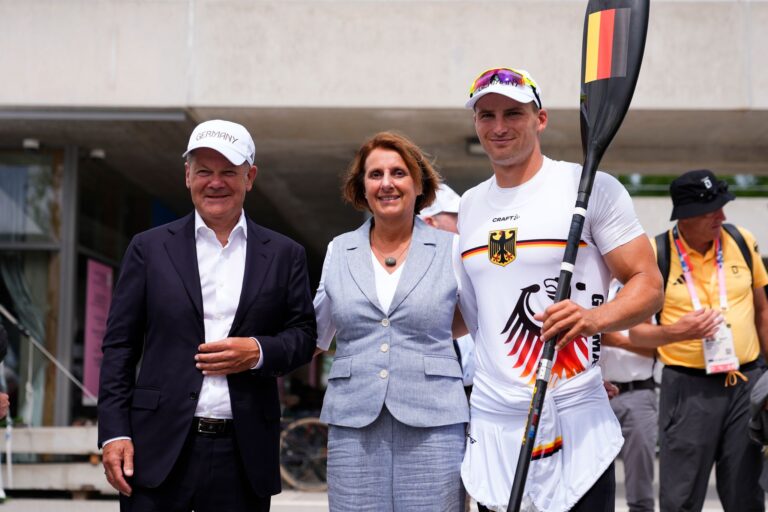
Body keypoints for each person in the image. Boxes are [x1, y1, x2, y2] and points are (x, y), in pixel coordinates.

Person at [454, 67, 663, 512]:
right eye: (486, 115)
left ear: (540, 119)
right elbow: (471, 316)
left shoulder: (587, 187)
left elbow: (648, 284)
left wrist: (593, 319)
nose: (499, 126)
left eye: (513, 113)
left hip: (575, 416)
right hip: (496, 423)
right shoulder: (469, 205)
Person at [97, 120, 317, 512]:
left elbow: (303, 335)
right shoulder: (149, 249)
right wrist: (114, 433)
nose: (215, 182)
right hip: (157, 448)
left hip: (243, 451)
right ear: (187, 176)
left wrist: (257, 351)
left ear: (250, 177)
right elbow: (119, 346)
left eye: (228, 172)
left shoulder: (285, 254)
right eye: (204, 171)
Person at [313, 131, 469, 511]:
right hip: (354, 422)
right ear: (361, 188)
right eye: (375, 174)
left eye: (398, 173)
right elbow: (317, 331)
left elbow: (474, 322)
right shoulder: (339, 250)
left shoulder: (453, 248)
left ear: (419, 185)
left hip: (435, 421)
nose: (387, 183)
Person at [628, 169, 768, 512]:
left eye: (722, 207)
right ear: (685, 215)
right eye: (711, 211)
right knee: (681, 495)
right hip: (687, 389)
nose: (721, 216)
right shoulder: (656, 252)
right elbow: (637, 332)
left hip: (746, 383)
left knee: (746, 493)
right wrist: (678, 332)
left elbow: (763, 311)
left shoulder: (741, 240)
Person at [599, 279, 658, 512]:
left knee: (639, 484)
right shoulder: (593, 285)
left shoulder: (647, 289)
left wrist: (617, 341)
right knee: (591, 480)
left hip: (637, 393)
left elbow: (664, 348)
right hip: (595, 394)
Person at [419, 183, 475, 390]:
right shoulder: (412, 279)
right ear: (430, 223)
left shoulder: (470, 266)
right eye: (456, 218)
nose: (464, 224)